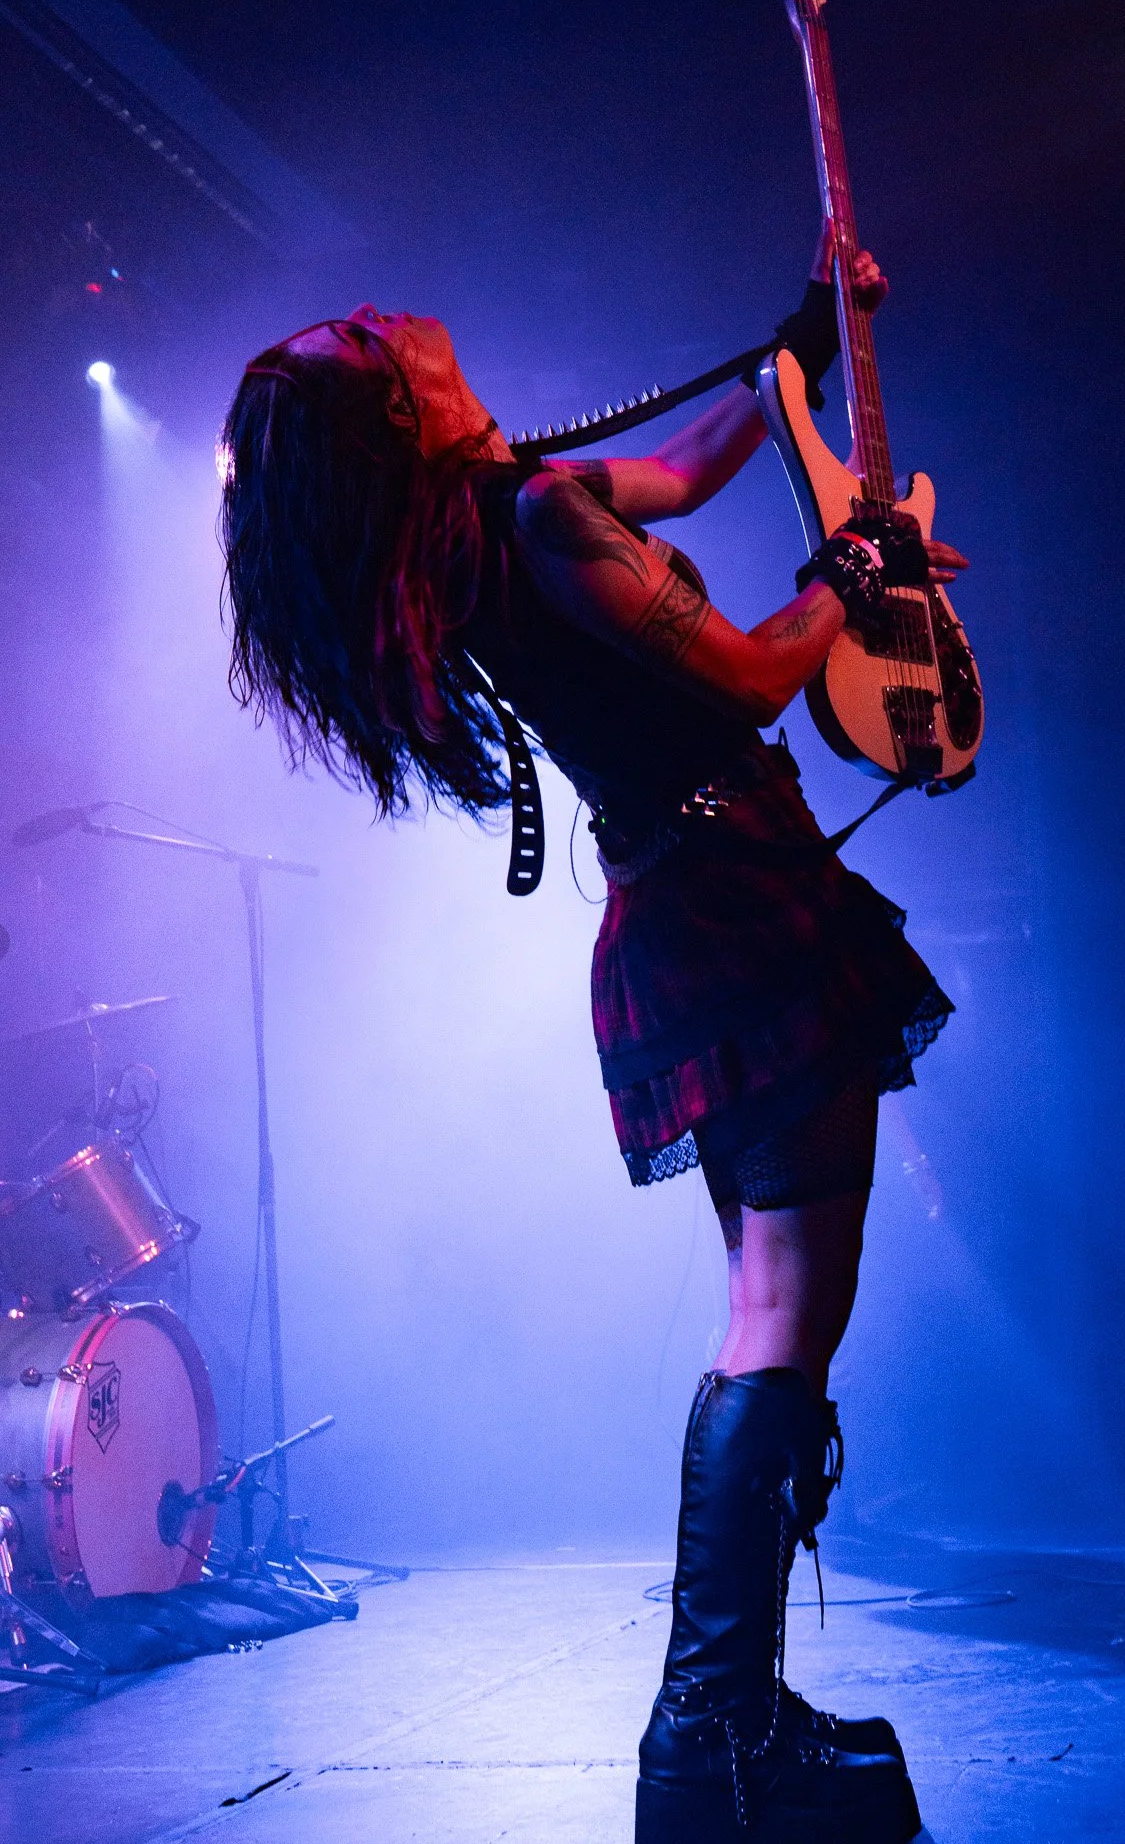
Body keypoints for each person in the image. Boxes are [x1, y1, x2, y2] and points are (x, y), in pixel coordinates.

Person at [218, 231, 966, 1844]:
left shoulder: (510, 514)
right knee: (785, 1315)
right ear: (405, 412)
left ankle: (728, 1718)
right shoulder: (535, 519)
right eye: (365, 340)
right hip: (737, 910)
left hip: (691, 914)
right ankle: (709, 1736)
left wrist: (801, 343)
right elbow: (757, 680)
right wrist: (859, 571)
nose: (386, 314)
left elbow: (689, 472)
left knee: (767, 1313)